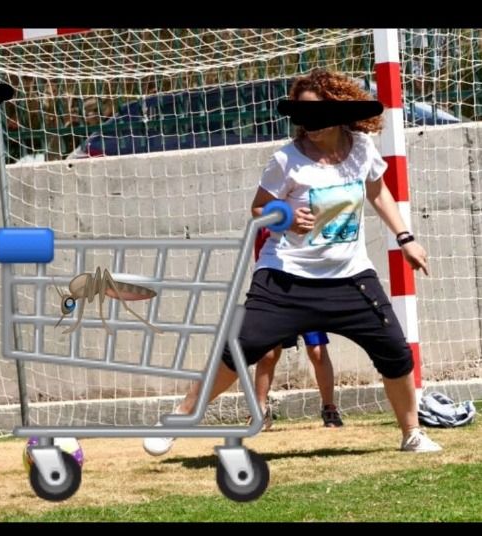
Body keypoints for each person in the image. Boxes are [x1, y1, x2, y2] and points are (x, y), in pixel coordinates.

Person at [143, 68, 442, 457]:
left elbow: (379, 192)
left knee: (395, 352)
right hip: (286, 277)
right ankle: (179, 418)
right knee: (241, 347)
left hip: (349, 277)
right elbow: (257, 210)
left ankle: (411, 434)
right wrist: (284, 213)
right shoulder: (285, 161)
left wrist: (406, 239)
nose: (308, 125)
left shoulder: (362, 148)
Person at [252, 228, 343, 430]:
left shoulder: (308, 218)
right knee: (267, 354)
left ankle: (329, 407)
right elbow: (260, 258)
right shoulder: (267, 221)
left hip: (307, 290)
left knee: (317, 351)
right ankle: (259, 411)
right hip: (276, 294)